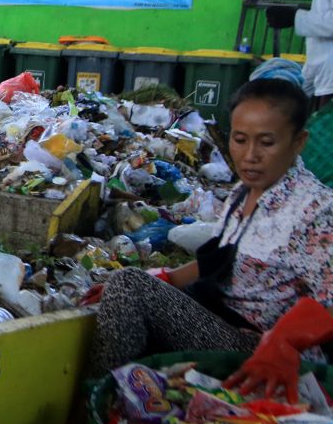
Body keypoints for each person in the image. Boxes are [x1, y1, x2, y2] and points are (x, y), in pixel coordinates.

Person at [83, 77, 333, 402]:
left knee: (129, 285)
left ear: (298, 142)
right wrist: (161, 279)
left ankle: (96, 402)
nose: (250, 155)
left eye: (267, 143)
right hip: (220, 319)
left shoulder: (315, 208)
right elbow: (218, 258)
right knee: (126, 285)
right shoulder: (244, 193)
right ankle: (133, 399)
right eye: (240, 140)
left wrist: (283, 340)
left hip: (258, 349)